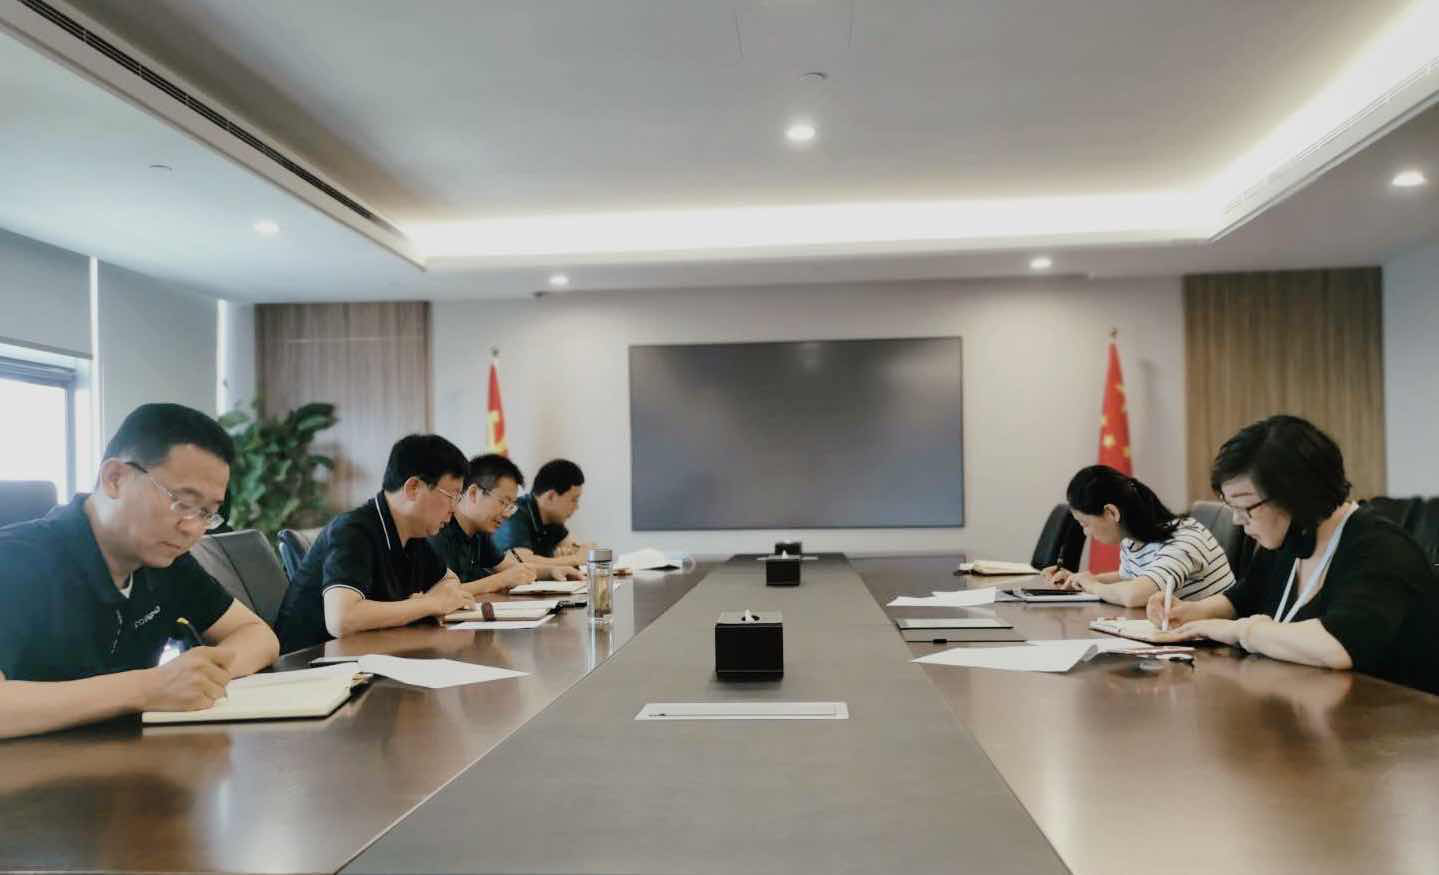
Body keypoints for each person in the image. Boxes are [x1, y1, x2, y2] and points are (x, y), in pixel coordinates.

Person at [0, 403, 280, 739]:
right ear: (115, 478)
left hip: (129, 758)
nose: (192, 528)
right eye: (182, 502)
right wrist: (148, 688)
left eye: (207, 513)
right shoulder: (16, 560)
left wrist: (203, 677)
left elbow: (257, 634)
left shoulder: (167, 561)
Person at [1152, 415, 1439, 694]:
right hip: (1315, 706)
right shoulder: (1289, 537)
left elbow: (1337, 646)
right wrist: (1193, 612)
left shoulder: (1381, 549)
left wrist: (1239, 631)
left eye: (1245, 508)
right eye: (1231, 507)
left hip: (1395, 717)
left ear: (1295, 496)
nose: (1237, 521)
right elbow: (1245, 597)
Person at [273, 434, 474, 652]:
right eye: (452, 496)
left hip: (367, 656)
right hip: (309, 663)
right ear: (413, 488)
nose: (454, 509)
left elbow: (449, 582)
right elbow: (341, 619)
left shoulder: (412, 534)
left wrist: (429, 602)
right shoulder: (353, 530)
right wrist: (428, 604)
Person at [1043, 465, 1235, 608]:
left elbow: (1134, 595)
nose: (1086, 532)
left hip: (1212, 646)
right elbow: (1128, 577)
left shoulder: (1184, 541)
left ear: (1111, 513)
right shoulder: (1133, 540)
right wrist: (1079, 580)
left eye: (1085, 524)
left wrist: (1092, 585)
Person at [429, 454, 583, 595]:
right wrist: (501, 580)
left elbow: (513, 568)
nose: (507, 514)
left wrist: (552, 571)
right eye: (503, 502)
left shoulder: (479, 533)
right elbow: (443, 594)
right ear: (473, 493)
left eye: (511, 506)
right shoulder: (439, 530)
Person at [492, 458, 591, 569]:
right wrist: (575, 559)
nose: (576, 507)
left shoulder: (552, 519)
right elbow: (520, 562)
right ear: (551, 496)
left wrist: (580, 552)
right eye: (574, 499)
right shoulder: (514, 513)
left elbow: (575, 549)